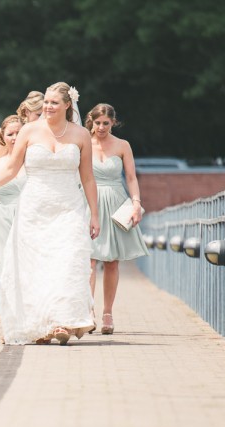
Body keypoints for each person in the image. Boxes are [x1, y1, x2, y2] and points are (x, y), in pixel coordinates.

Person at [0, 82, 99, 345]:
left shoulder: (81, 135)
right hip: (34, 208)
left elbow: (89, 179)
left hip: (69, 208)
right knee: (37, 267)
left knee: (67, 262)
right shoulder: (29, 131)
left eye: (54, 103)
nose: (47, 107)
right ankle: (41, 325)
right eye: (46, 102)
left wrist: (94, 215)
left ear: (68, 105)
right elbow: (11, 169)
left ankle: (61, 321)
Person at [85, 103, 148, 334]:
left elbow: (131, 177)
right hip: (89, 202)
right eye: (97, 122)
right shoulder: (83, 142)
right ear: (91, 121)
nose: (101, 127)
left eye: (106, 123)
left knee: (112, 260)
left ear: (113, 123)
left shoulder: (123, 145)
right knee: (89, 260)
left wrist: (136, 203)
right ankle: (88, 310)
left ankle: (108, 312)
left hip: (115, 202)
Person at [0, 115, 26, 276]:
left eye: (19, 133)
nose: (15, 138)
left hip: (29, 220)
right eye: (10, 134)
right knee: (9, 267)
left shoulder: (33, 162)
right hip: (4, 223)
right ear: (2, 136)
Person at [0, 92, 43, 158]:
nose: (43, 119)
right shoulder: (11, 131)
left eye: (45, 115)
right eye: (39, 115)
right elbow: (1, 164)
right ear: (27, 112)